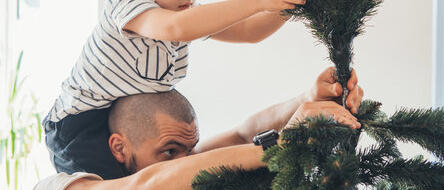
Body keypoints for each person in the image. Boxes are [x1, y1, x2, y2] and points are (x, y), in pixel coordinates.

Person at [43, 0, 310, 180]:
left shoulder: (184, 15)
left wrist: (293, 2)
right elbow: (175, 29)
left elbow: (250, 32)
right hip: (78, 126)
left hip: (121, 119)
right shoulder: (126, 5)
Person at [35, 66, 364, 190]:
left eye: (187, 150)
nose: (184, 161)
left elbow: (240, 135)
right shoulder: (64, 186)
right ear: (120, 148)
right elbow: (145, 185)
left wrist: (309, 98)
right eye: (168, 151)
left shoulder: (177, 163)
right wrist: (278, 150)